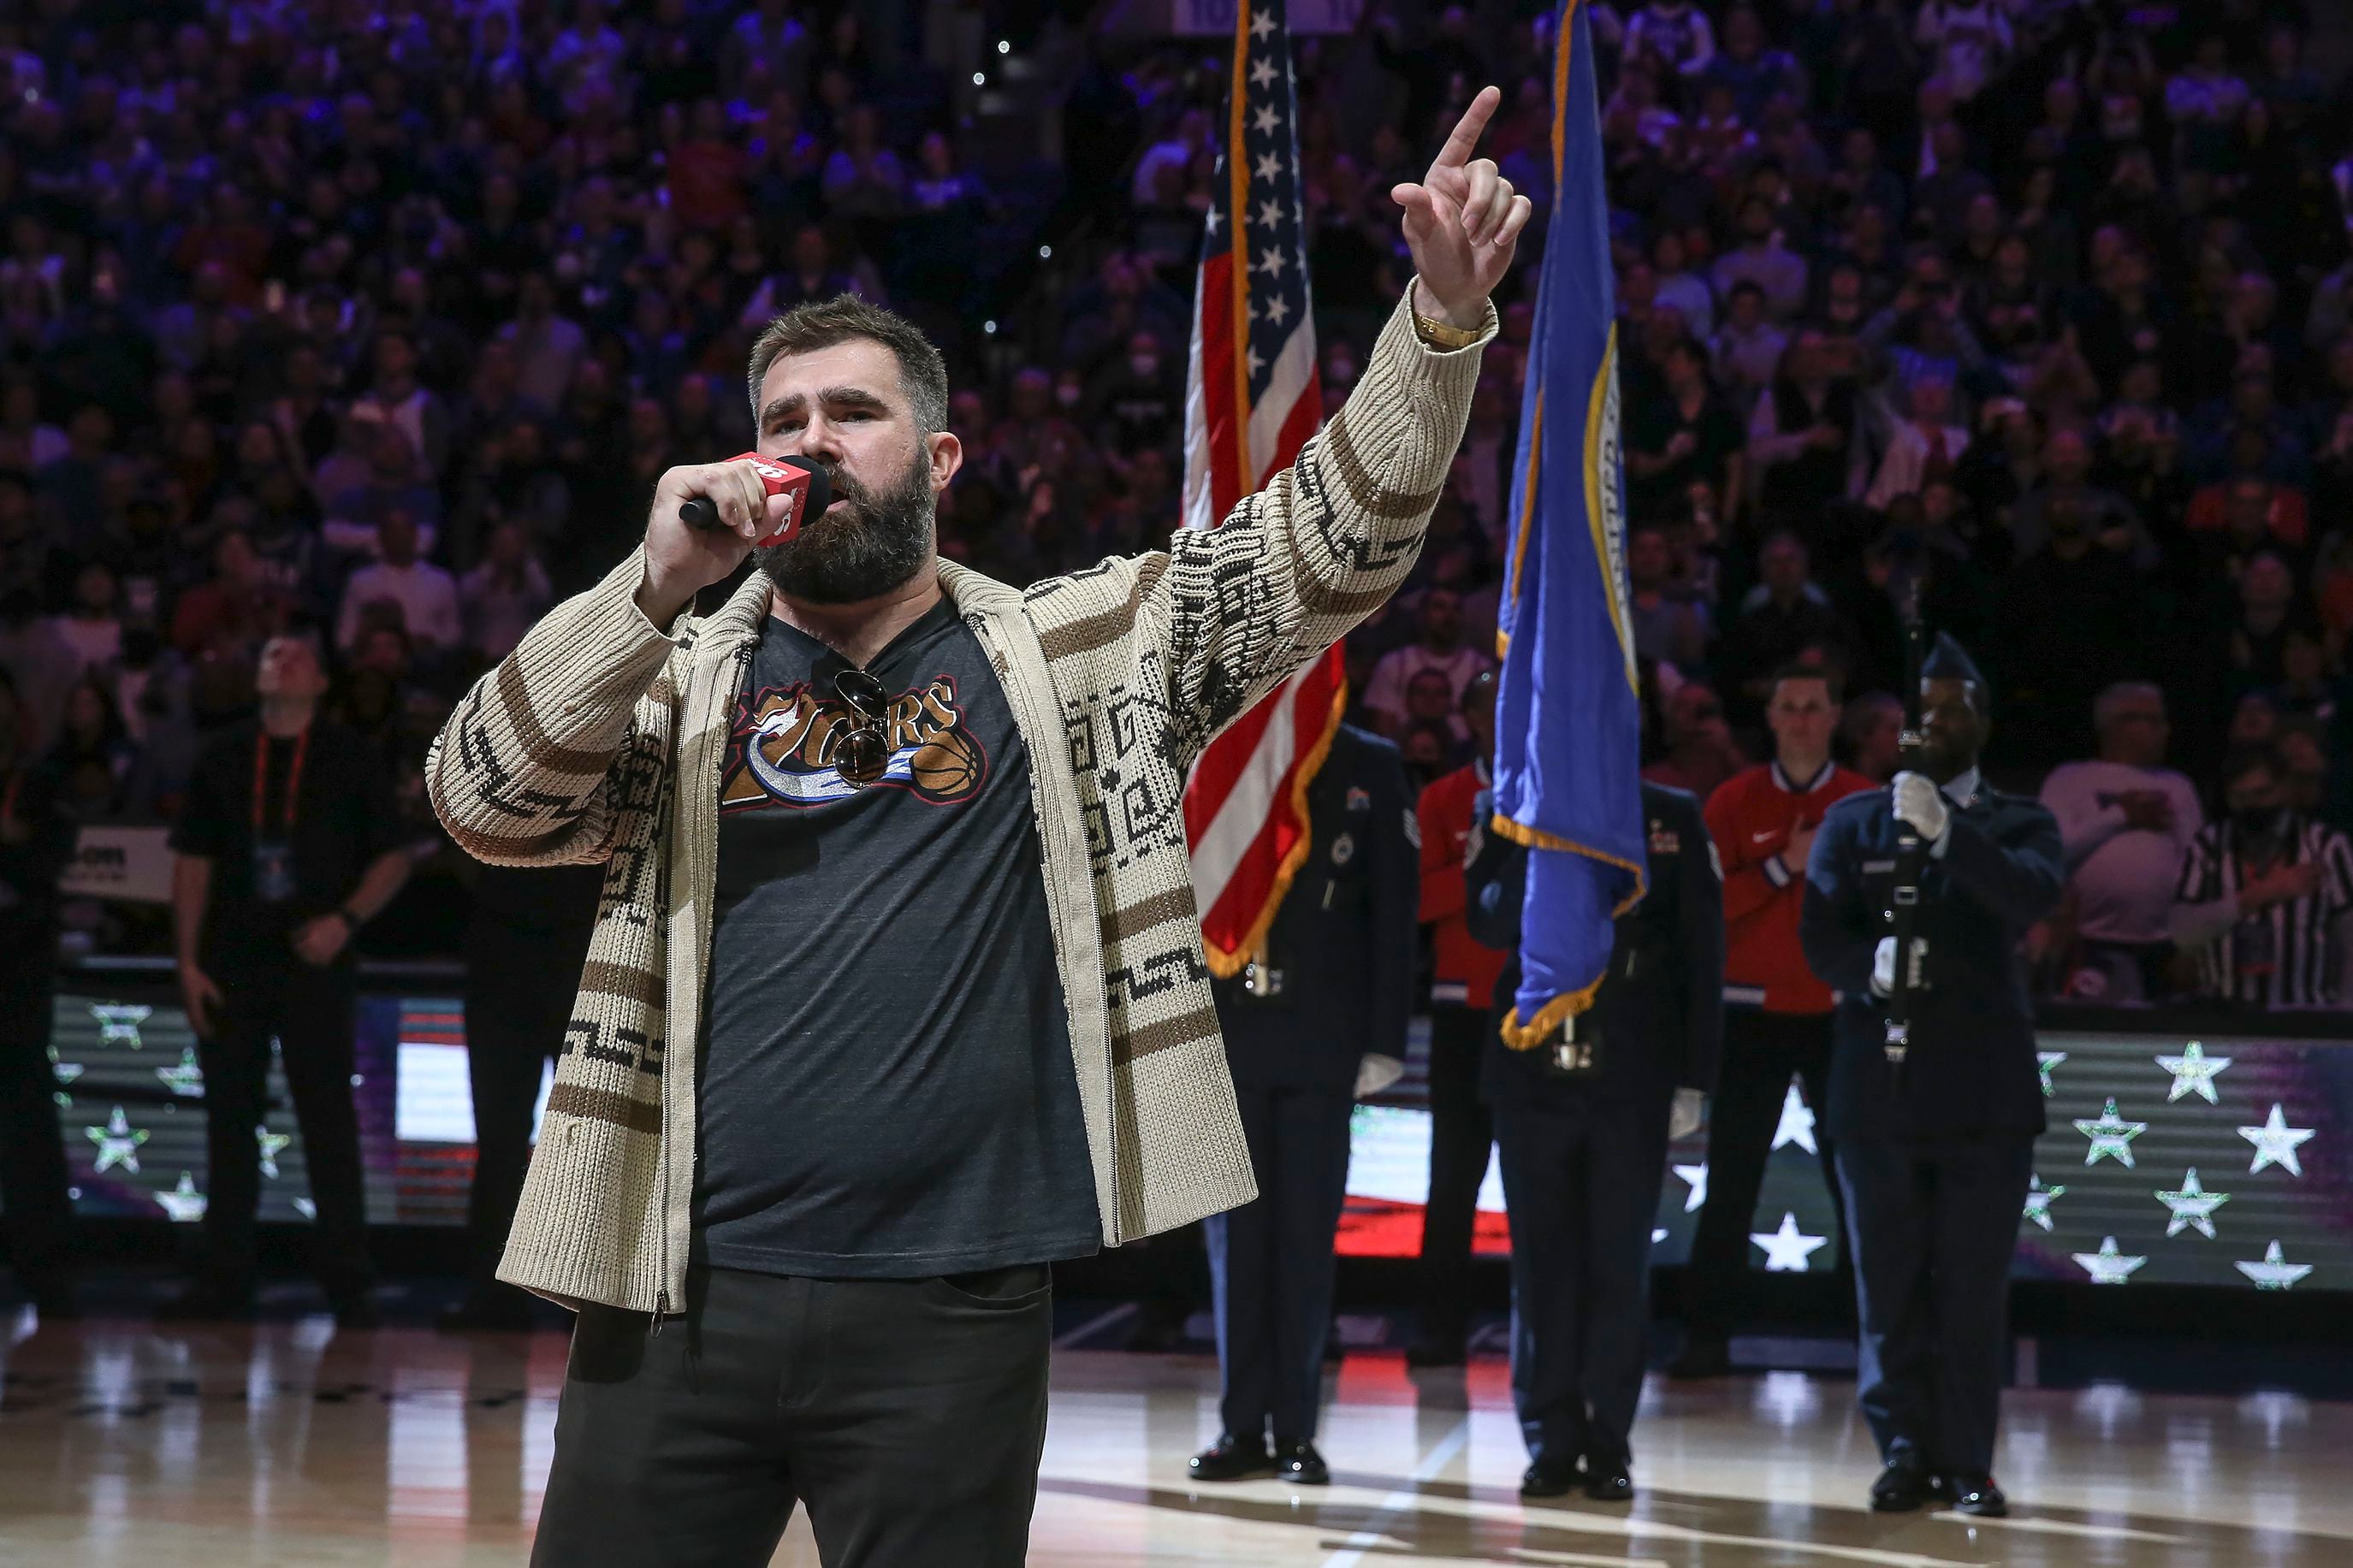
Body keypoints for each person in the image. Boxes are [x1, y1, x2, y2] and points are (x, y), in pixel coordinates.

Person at [424, 94, 1523, 1565]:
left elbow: (1328, 544)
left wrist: (1439, 325)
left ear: (939, 461)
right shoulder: (676, 675)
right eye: (782, 420)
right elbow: (482, 800)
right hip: (673, 1287)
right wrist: (646, 583)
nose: (811, 442)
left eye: (853, 414)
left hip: (951, 1308)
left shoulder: (1084, 652)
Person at [1799, 635, 2062, 1518]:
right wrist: (1864, 969)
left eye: (1953, 708)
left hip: (1982, 1097)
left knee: (1970, 1292)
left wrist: (1947, 834)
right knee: (1888, 1288)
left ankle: (1966, 1461)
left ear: (1979, 721)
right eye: (1922, 711)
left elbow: (2026, 896)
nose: (1935, 724)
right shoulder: (1849, 823)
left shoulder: (2021, 820)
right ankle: (1903, 1451)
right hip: (1875, 1094)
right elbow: (1819, 935)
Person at [1470, 781, 1722, 1502]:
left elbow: (1702, 947)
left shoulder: (1671, 814)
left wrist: (1693, 1078)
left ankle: (1608, 1439)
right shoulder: (1504, 805)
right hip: (1532, 1071)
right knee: (1541, 1268)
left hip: (1632, 1071)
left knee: (1617, 1267)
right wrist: (1540, 838)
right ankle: (1550, 1439)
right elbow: (1485, 922)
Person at [163, 635, 412, 1326]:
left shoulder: (349, 756)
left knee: (328, 1118)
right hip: (231, 960)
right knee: (230, 1121)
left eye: (299, 655)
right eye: (270, 653)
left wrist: (346, 919)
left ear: (324, 682)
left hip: (316, 959)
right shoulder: (223, 756)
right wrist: (185, 961)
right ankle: (224, 1275)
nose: (282, 660)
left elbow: (394, 858)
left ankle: (348, 1278)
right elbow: (190, 862)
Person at [1190, 724, 1415, 1487]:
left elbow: (1393, 909)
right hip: (1230, 1034)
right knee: (1236, 1249)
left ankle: (1296, 1431)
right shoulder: (1220, 743)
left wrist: (1385, 1039)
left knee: (1304, 1247)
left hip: (1322, 1039)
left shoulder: (1369, 762)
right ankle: (1239, 1428)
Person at [1673, 664, 1871, 1378]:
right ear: (1773, 717)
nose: (1800, 719)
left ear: (1834, 715)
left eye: (1814, 707)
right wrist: (1783, 868)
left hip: (1839, 1017)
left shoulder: (1862, 802)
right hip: (1749, 1017)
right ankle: (1705, 1337)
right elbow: (1705, 909)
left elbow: (1884, 913)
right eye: (1788, 706)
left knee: (1857, 1183)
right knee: (1730, 1182)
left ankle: (1871, 1340)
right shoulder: (1733, 800)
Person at [440, 861, 606, 1332]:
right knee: (498, 1139)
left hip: (588, 943)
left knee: (593, 1136)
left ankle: (597, 1293)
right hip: (502, 950)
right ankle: (492, 1293)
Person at [1405, 669, 1502, 1367]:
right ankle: (1439, 1326)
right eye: (1488, 707)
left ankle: (1541, 1330)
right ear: (1469, 718)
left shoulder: (1555, 795)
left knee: (1540, 1182)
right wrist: (1477, 870)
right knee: (1453, 1176)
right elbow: (1418, 901)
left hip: (1535, 1006)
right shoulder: (1442, 798)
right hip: (1460, 1009)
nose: (1500, 716)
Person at [2038, 683, 2203, 1003]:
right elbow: (2050, 853)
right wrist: (2120, 816)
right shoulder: (2070, 779)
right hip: (2087, 942)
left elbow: (2196, 867)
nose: (2164, 731)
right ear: (2116, 724)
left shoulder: (2177, 786)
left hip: (2164, 945)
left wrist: (2192, 944)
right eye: (2153, 721)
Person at [0, 672, 79, 1316]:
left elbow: (43, 862)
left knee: (27, 1114)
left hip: (21, 976)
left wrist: (18, 846)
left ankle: (44, 1260)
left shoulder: (43, 786)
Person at [2172, 743, 2353, 1008]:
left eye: (2262, 793)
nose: (2252, 805)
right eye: (2241, 797)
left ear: (2283, 788)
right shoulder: (2210, 846)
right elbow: (2182, 933)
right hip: (2224, 1013)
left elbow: (2349, 938)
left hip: (2306, 1014)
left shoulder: (2327, 847)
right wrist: (2266, 893)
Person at [1362, 586, 1495, 737]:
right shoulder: (1394, 664)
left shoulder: (1480, 669)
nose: (1449, 616)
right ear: (1422, 615)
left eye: (1456, 608)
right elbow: (1382, 731)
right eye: (1439, 607)